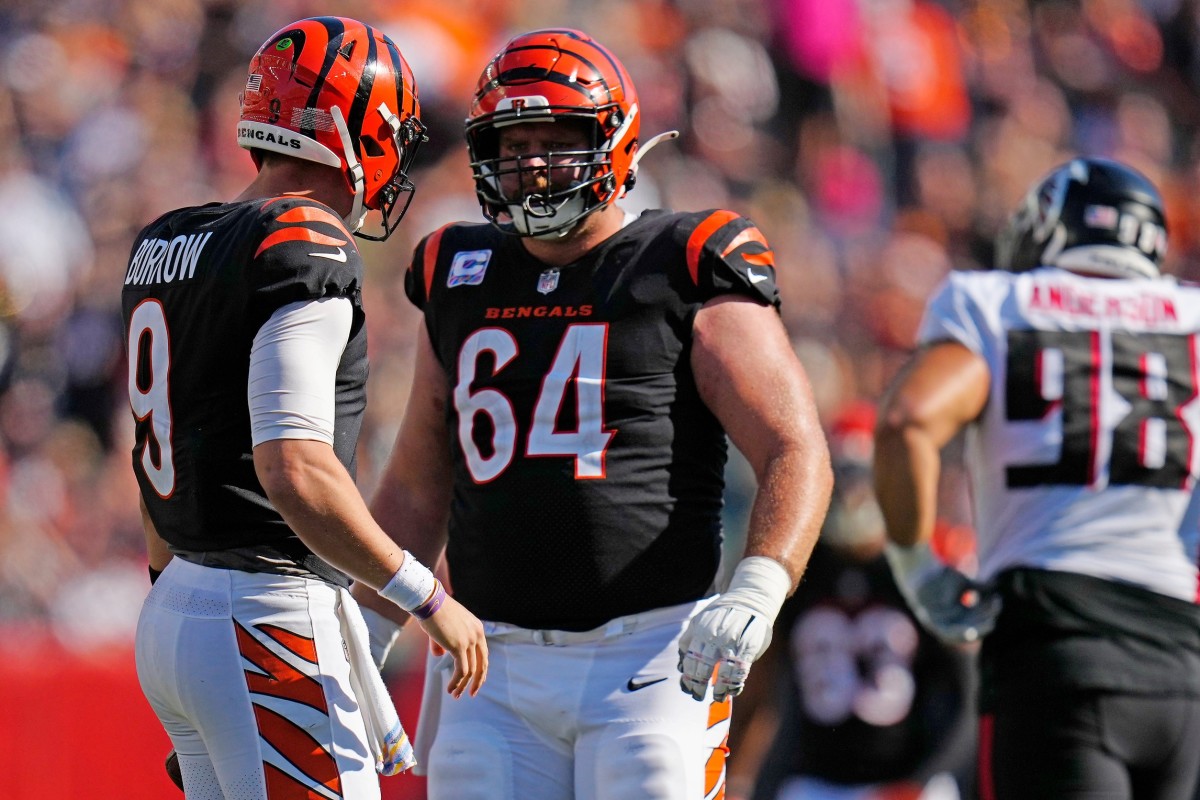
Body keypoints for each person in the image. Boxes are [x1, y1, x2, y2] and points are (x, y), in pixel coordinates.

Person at [352, 27, 833, 800]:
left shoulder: (682, 260)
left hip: (649, 654)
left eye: (557, 138)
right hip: (488, 660)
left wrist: (759, 586)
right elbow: (417, 482)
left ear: (614, 141)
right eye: (515, 141)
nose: (534, 161)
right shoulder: (456, 270)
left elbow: (792, 445)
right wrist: (369, 626)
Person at [122, 17, 488, 798]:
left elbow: (157, 467)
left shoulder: (167, 240)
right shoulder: (304, 240)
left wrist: (185, 627)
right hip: (264, 612)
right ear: (352, 131)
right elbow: (293, 465)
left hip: (176, 603)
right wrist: (423, 595)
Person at [873, 157, 1200, 800]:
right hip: (1182, 666)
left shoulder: (996, 304)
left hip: (1055, 650)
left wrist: (917, 567)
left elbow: (907, 422)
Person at [727, 402, 975, 800]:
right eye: (840, 479)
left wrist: (925, 778)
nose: (853, 495)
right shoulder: (801, 567)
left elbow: (967, 692)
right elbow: (759, 689)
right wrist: (735, 775)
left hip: (908, 778)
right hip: (816, 782)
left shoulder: (922, 566)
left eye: (860, 478)